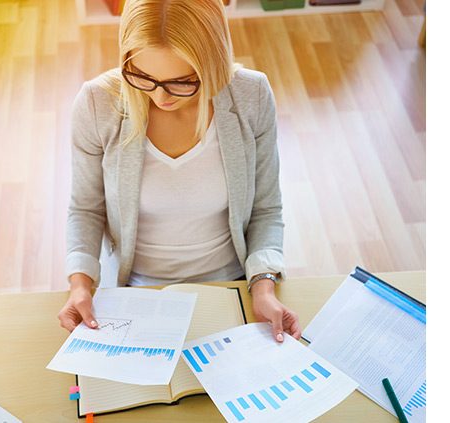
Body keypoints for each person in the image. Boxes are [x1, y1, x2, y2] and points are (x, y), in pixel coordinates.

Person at [57, 0, 301, 343]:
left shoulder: (251, 95)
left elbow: (266, 209)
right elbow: (85, 208)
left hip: (232, 285)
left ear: (213, 61)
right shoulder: (98, 103)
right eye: (143, 76)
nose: (160, 96)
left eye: (182, 81)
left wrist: (262, 286)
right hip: (137, 290)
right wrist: (80, 285)